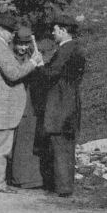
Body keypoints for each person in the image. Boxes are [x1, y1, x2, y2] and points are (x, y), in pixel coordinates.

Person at [0, 14, 42, 193]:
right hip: (4, 105)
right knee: (1, 147)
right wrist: (33, 62)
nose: (11, 35)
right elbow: (13, 74)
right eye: (9, 31)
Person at [38, 12, 86, 196]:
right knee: (66, 144)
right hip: (70, 101)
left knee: (60, 144)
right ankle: (66, 185)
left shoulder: (65, 50)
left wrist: (39, 66)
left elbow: (51, 73)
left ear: (64, 31)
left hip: (61, 102)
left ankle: (63, 187)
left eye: (55, 29)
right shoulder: (75, 48)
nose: (52, 32)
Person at [9, 26, 45, 190]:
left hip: (31, 102)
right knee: (19, 141)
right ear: (14, 43)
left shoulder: (32, 56)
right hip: (17, 102)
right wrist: (32, 63)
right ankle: (20, 177)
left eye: (26, 45)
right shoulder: (10, 57)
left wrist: (39, 64)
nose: (23, 48)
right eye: (20, 45)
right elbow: (16, 75)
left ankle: (32, 178)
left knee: (29, 139)